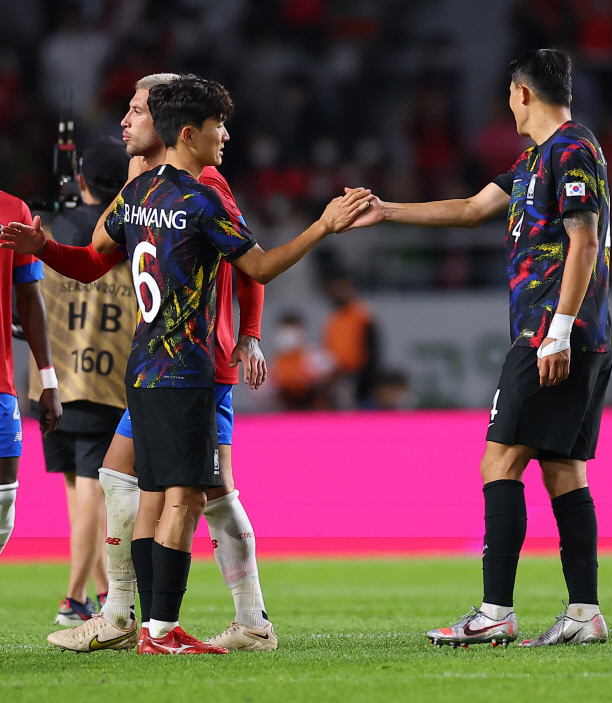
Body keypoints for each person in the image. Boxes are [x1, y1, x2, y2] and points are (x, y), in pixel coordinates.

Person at [6, 75, 370, 655]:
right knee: (168, 493)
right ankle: (151, 625)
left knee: (179, 493)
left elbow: (95, 262)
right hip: (182, 369)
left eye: (134, 110)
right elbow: (261, 265)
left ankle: (183, 619)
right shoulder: (185, 194)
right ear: (189, 130)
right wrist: (324, 225)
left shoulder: (166, 189)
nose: (125, 121)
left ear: (163, 124)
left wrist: (249, 336)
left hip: (163, 366)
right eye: (219, 127)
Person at [347, 49, 612, 647]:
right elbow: (469, 210)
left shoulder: (571, 150)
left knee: (500, 461)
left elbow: (585, 241)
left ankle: (496, 611)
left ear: (522, 93)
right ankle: (584, 612)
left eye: (508, 97)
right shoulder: (535, 161)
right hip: (572, 333)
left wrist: (560, 329)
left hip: (552, 331)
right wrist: (386, 210)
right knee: (563, 469)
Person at [29, 137, 134, 626]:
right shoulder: (130, 237)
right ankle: (78, 598)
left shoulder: (48, 230)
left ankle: (93, 593)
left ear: (83, 181)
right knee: (92, 495)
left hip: (51, 379)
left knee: (78, 495)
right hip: (106, 380)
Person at [0, 191, 62, 556]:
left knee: (4, 505)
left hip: (2, 380)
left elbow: (29, 295)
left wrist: (48, 379)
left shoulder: (14, 209)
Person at [321, 273, 380, 409]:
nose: (338, 293)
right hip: (339, 377)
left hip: (359, 378)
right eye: (334, 289)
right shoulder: (333, 319)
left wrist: (367, 381)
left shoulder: (363, 314)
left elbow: (373, 351)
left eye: (342, 288)